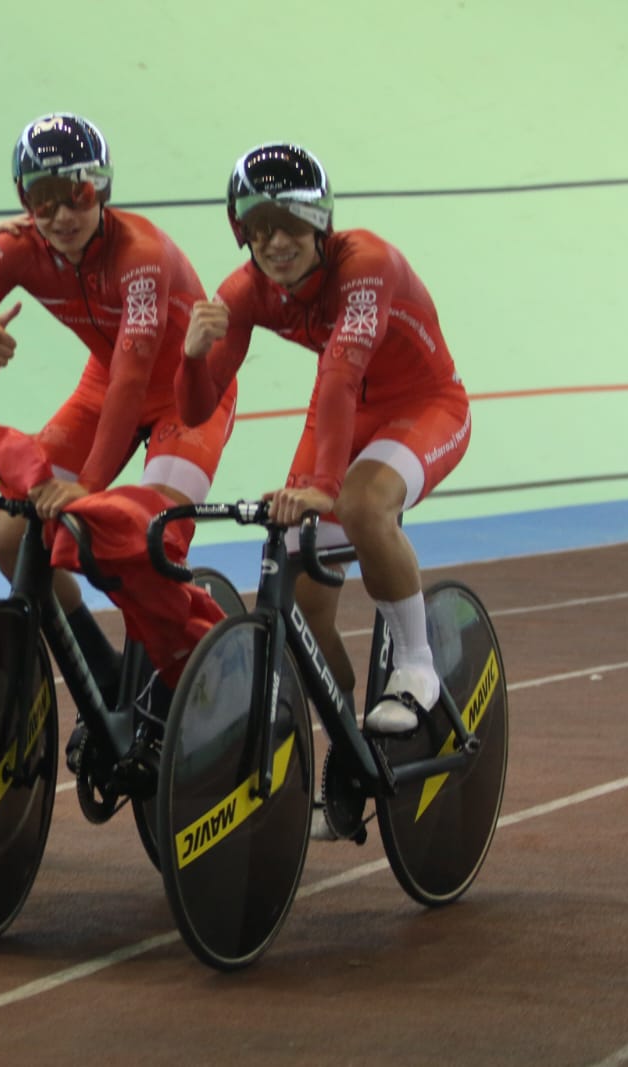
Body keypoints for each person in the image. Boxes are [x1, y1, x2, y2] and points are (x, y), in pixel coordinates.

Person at [0, 113, 238, 694]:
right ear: (24, 201)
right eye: (42, 199)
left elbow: (134, 377)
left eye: (77, 195)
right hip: (104, 382)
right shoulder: (18, 249)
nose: (62, 215)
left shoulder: (141, 253)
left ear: (103, 188)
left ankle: (188, 675)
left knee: (148, 538)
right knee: (11, 538)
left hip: (182, 395)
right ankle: (104, 672)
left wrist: (88, 487)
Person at [176, 142, 471, 737]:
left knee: (361, 505)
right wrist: (190, 358)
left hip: (423, 405)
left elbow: (340, 372)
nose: (276, 243)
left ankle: (416, 666)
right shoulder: (243, 291)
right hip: (344, 408)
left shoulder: (367, 262)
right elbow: (195, 409)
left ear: (320, 223)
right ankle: (344, 740)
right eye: (260, 230)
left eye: (290, 226)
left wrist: (325, 488)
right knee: (301, 607)